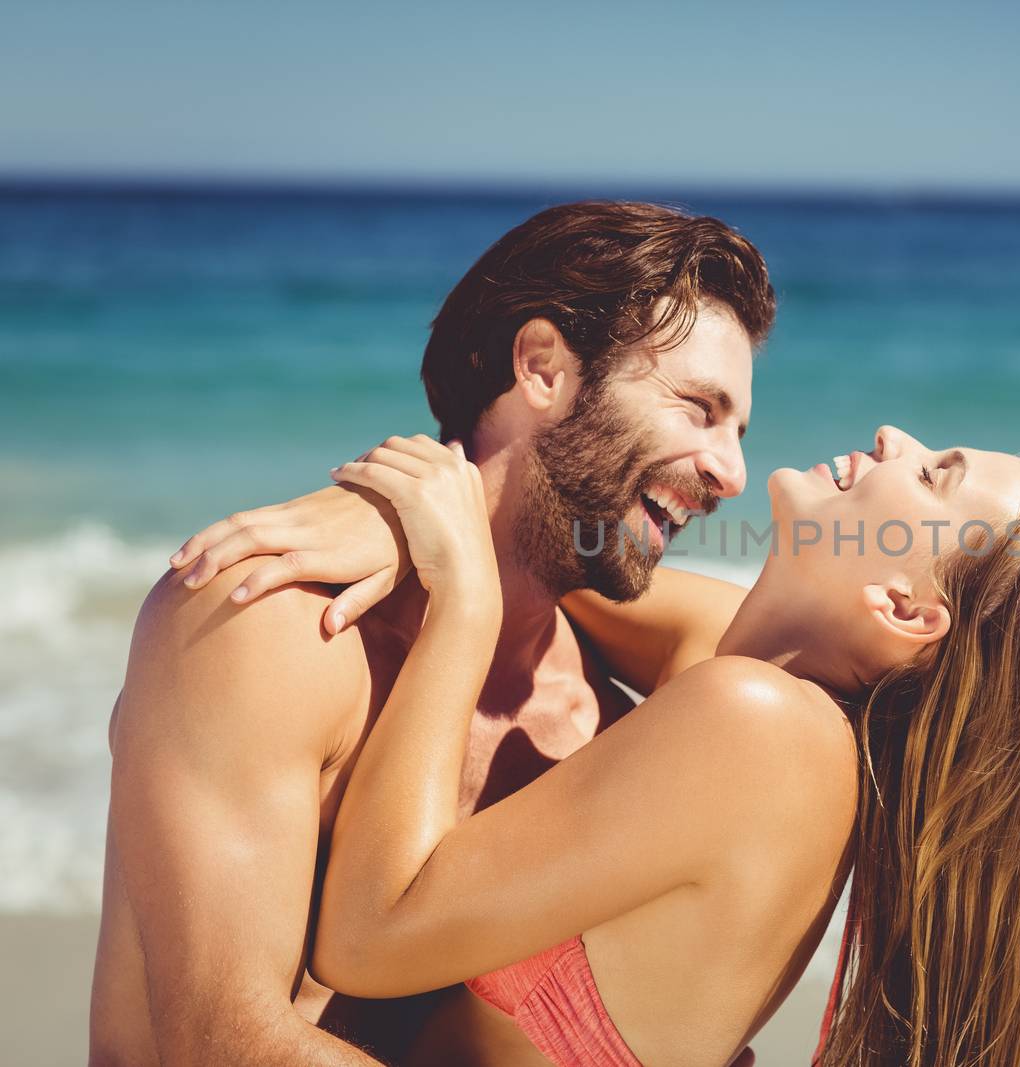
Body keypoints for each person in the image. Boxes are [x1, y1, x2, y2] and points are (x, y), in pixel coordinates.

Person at [181, 424, 1020, 1067]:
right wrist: (391, 522)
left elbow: (366, 937)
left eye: (934, 473)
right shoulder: (736, 663)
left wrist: (463, 610)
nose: (892, 438)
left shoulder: (760, 724)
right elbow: (551, 561)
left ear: (903, 606)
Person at [88, 200, 776, 1066]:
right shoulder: (270, 622)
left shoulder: (598, 716)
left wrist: (461, 574)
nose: (733, 472)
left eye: (738, 429)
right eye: (698, 409)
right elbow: (222, 1044)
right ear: (543, 367)